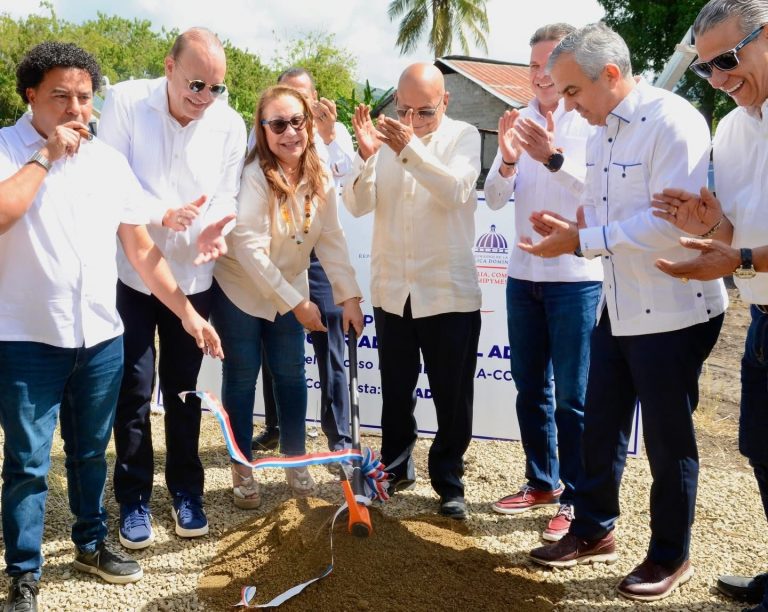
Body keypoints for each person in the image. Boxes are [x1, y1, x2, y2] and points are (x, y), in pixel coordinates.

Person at [0, 41, 223, 612]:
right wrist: (46, 156)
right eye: (61, 97)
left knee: (88, 451)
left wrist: (188, 313)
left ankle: (92, 542)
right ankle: (24, 573)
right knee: (27, 462)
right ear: (31, 96)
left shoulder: (106, 162)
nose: (77, 109)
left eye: (84, 97)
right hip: (26, 337)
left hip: (99, 336)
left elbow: (143, 252)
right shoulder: (7, 148)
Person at [518, 23, 728, 602]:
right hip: (620, 304)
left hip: (675, 306)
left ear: (610, 75)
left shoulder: (673, 121)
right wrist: (576, 229)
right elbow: (607, 207)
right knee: (601, 424)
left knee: (667, 440)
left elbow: (670, 226)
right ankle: (592, 530)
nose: (566, 103)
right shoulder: (601, 128)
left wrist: (582, 242)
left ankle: (669, 556)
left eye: (572, 91)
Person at [98, 28, 246, 549]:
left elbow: (227, 195)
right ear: (169, 66)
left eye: (216, 88)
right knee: (133, 392)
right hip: (132, 277)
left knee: (184, 392)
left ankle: (187, 491)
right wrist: (161, 213)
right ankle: (133, 498)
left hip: (194, 279)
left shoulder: (229, 125)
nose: (204, 99)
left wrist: (215, 229)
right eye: (196, 84)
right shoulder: (123, 103)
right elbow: (110, 182)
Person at [649, 2, 768, 610]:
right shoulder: (729, 127)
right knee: (761, 450)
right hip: (764, 321)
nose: (720, 79)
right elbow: (735, 235)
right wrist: (715, 225)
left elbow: (745, 254)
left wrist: (741, 258)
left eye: (727, 60)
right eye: (706, 70)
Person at [212, 85, 364, 503]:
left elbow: (331, 238)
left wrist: (348, 296)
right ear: (262, 131)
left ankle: (294, 461)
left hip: (290, 285)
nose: (290, 132)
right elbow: (249, 249)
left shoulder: (320, 175)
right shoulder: (253, 176)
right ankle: (242, 467)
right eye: (278, 124)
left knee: (291, 375)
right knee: (242, 377)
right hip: (241, 288)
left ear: (309, 125)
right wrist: (298, 304)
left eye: (297, 121)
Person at [344, 63, 482, 521]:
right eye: (404, 111)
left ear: (445, 101)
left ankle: (449, 480)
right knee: (396, 391)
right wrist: (370, 156)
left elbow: (457, 192)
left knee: (451, 396)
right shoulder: (388, 143)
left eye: (424, 112)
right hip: (393, 292)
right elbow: (357, 205)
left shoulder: (464, 137)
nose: (413, 122)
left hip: (447, 293)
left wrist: (409, 150)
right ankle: (397, 468)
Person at [484, 23, 602, 541]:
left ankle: (578, 501)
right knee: (530, 387)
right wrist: (509, 158)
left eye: (549, 65)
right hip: (522, 276)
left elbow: (598, 191)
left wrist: (552, 156)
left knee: (574, 398)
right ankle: (542, 481)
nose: (540, 75)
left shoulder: (590, 122)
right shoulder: (518, 119)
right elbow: (491, 198)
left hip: (577, 278)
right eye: (532, 65)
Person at [251, 67, 356, 456]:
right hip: (278, 254)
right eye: (287, 103)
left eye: (304, 103)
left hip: (318, 252)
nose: (293, 122)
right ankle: (277, 427)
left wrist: (328, 136)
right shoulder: (268, 133)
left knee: (329, 344)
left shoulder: (333, 133)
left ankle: (339, 438)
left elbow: (347, 175)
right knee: (276, 347)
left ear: (314, 99)